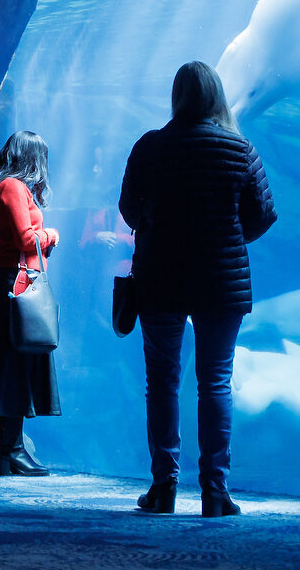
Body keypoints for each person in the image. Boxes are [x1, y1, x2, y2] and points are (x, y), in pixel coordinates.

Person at [118, 61, 276, 517]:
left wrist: (159, 224)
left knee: (162, 381)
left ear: (177, 96)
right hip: (220, 283)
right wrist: (225, 236)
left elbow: (129, 209)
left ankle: (164, 487)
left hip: (160, 279)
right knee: (216, 383)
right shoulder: (239, 148)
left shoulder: (150, 147)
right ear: (217, 97)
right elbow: (262, 216)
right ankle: (215, 492)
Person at [0, 131, 59, 475]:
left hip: (13, 280)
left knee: (13, 363)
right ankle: (11, 449)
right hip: (16, 281)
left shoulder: (7, 185)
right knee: (13, 363)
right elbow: (26, 239)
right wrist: (52, 235)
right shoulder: (12, 187)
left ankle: (8, 448)